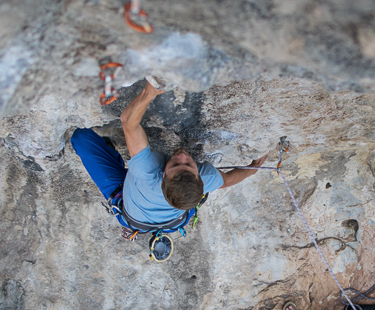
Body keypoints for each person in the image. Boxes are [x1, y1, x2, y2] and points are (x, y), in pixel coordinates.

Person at [71, 80, 267, 229]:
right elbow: (227, 181)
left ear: (162, 175)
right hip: (173, 220)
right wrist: (252, 170)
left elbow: (128, 122)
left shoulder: (147, 172)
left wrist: (150, 91)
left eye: (174, 165)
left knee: (81, 138)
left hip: (132, 214)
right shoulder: (206, 177)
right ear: (199, 178)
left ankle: (111, 153)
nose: (182, 156)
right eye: (188, 164)